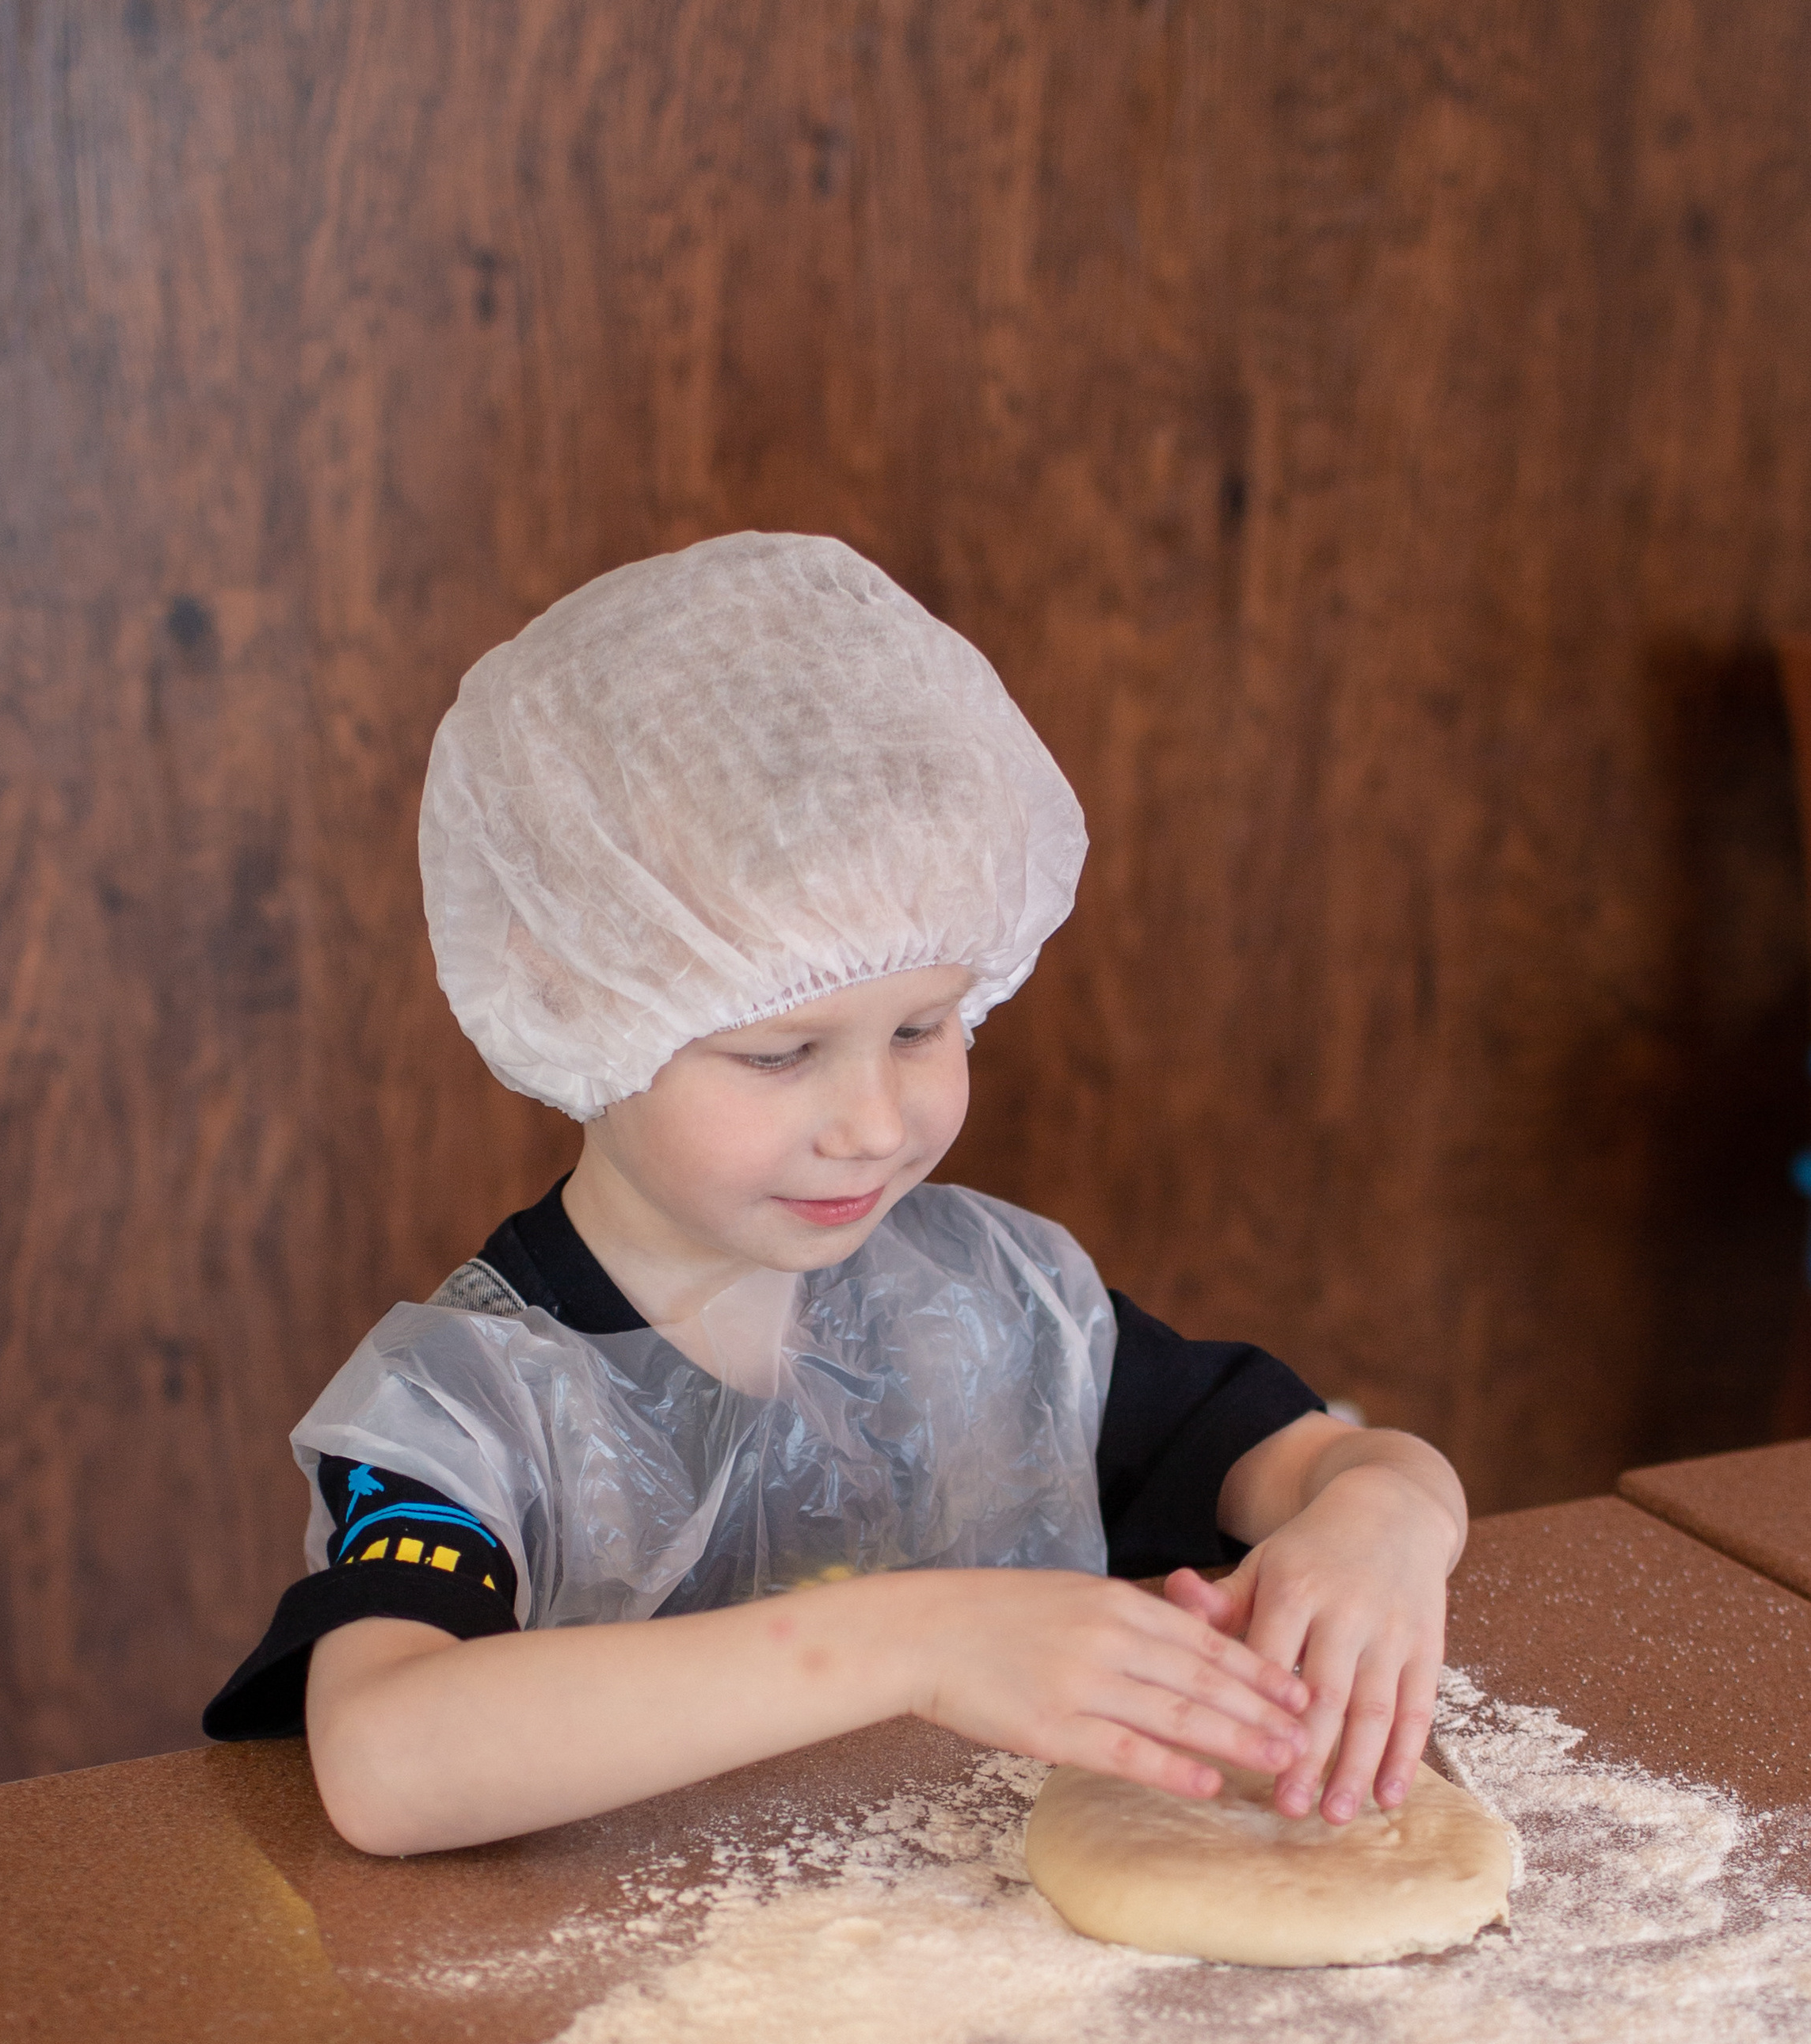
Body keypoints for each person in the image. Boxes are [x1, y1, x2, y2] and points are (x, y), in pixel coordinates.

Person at [204, 532, 1466, 1857]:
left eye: (925, 1028)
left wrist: (1384, 1523)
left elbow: (1324, 1458)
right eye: (778, 1052)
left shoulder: (995, 1307)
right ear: (576, 992)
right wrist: (922, 1640)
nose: (874, 1123)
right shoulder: (465, 1409)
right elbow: (390, 1761)